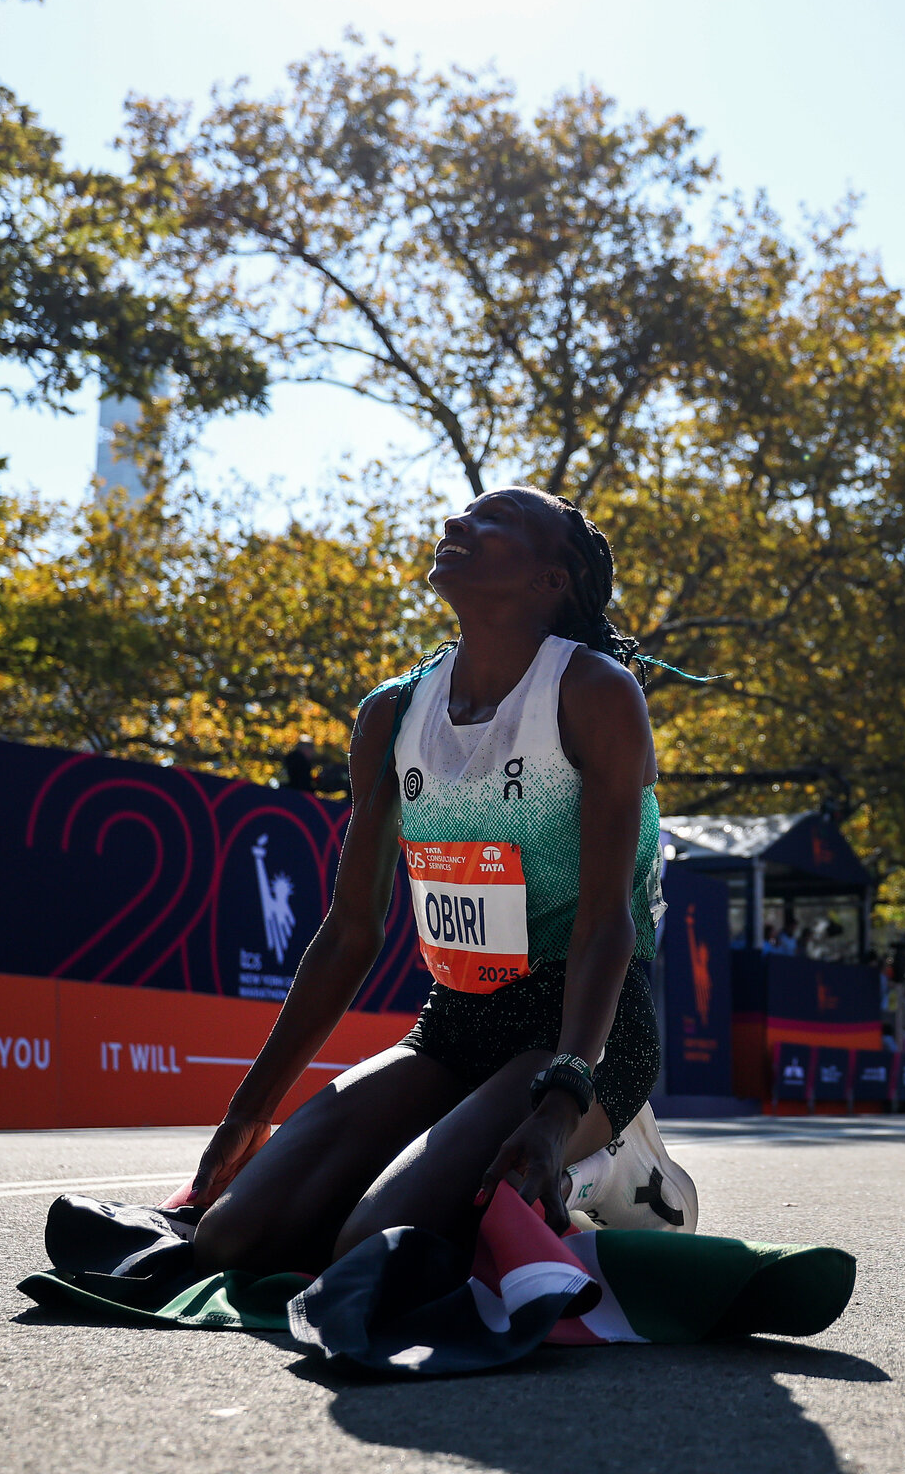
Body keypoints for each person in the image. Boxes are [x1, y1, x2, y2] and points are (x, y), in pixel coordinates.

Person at [188, 487, 694, 1275]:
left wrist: (563, 1101)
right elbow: (349, 933)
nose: (460, 523)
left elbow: (606, 925)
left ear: (550, 581)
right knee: (233, 1239)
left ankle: (605, 1161)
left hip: (582, 1035)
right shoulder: (392, 714)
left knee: (377, 1250)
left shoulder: (593, 694)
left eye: (498, 522)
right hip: (453, 1026)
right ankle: (518, 1154)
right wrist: (246, 1114)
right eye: (466, 514)